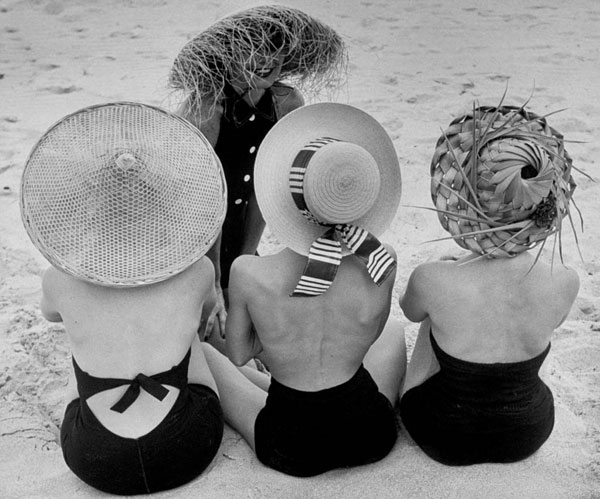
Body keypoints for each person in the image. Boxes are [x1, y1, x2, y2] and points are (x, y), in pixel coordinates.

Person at [20, 102, 228, 494]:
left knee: (80, 346)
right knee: (189, 343)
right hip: (185, 448)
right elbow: (202, 320)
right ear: (167, 204)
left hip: (95, 458)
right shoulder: (198, 271)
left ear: (88, 208)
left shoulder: (59, 279)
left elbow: (50, 315)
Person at [200, 103, 406, 477]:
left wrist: (284, 340)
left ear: (287, 198)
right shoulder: (380, 259)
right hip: (369, 434)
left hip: (291, 442)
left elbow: (240, 353)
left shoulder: (248, 271)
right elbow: (372, 334)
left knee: (206, 354)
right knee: (392, 333)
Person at [399, 103, 581, 465]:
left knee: (434, 313)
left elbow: (409, 311)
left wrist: (450, 272)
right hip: (528, 433)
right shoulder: (565, 280)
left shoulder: (432, 278)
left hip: (443, 435)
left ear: (464, 201)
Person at [168, 5, 347, 340]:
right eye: (252, 49)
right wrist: (216, 284)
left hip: (237, 228)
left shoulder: (287, 101)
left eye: (274, 48)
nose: (267, 59)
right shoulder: (206, 110)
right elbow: (202, 204)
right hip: (191, 234)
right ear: (227, 56)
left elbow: (264, 190)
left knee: (253, 319)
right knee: (211, 328)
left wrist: (243, 263)